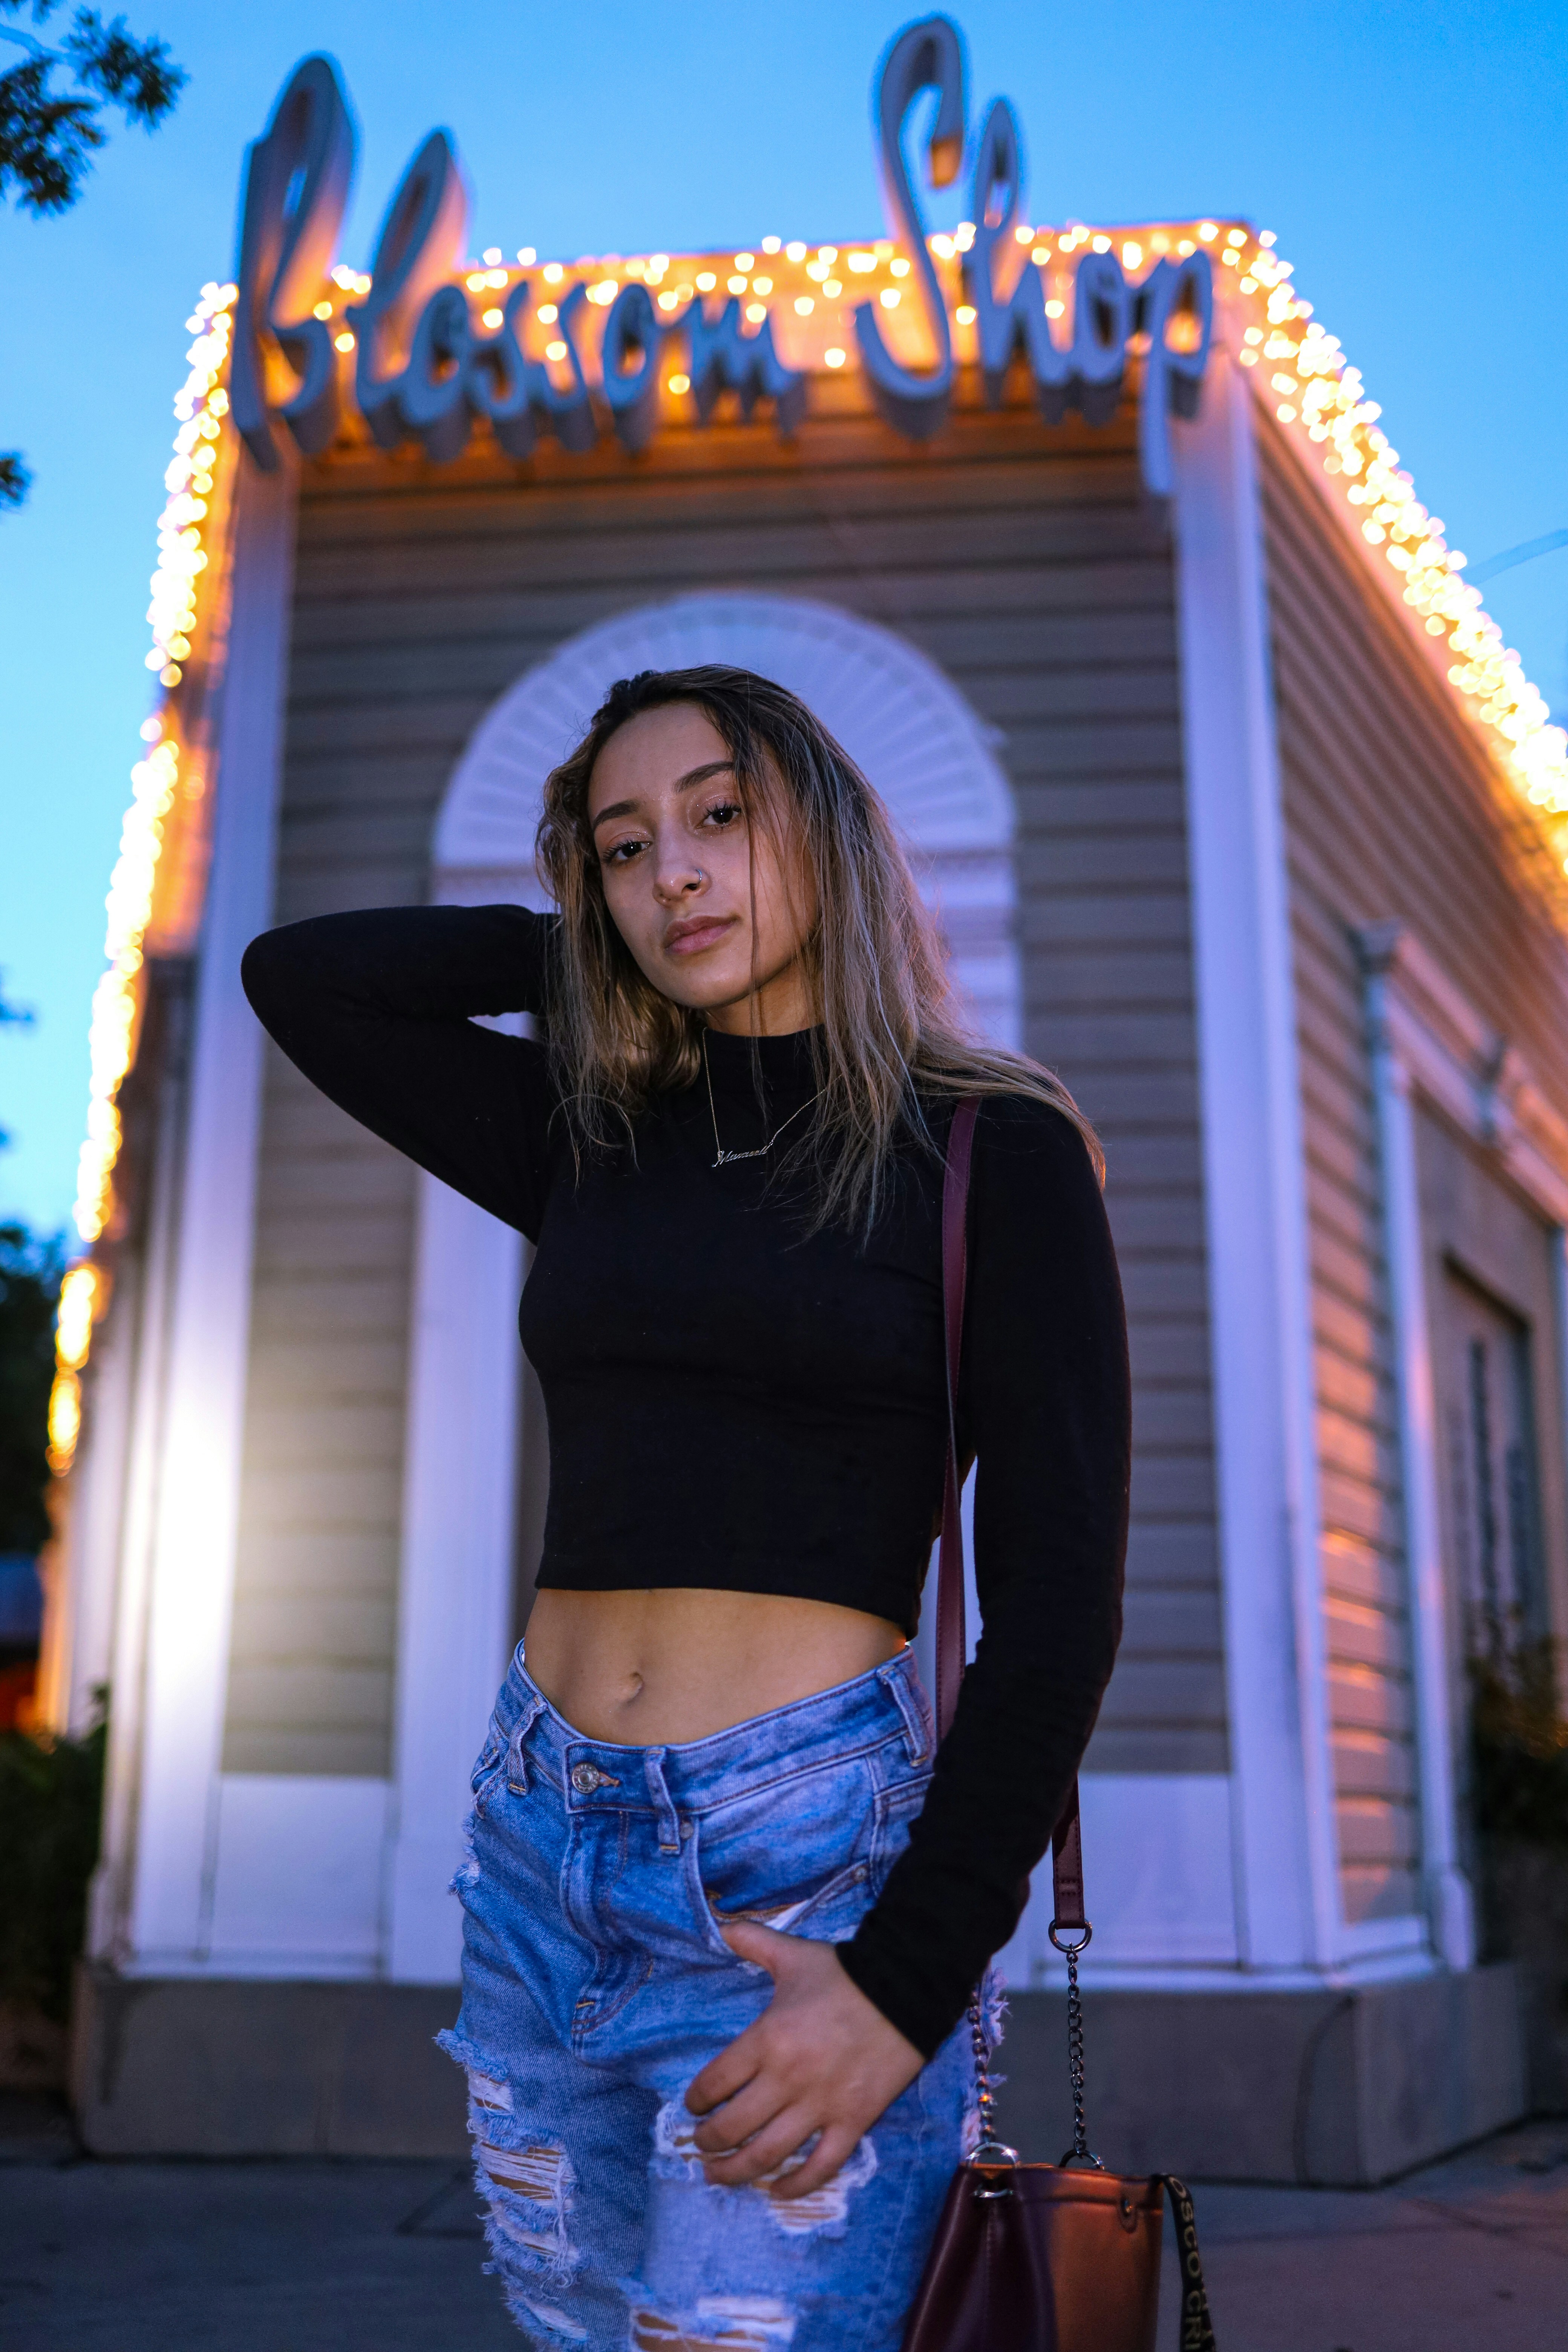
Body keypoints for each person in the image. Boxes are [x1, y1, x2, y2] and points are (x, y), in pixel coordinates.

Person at [241, 665, 1130, 2352]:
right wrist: (579, 945)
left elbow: (1059, 1603)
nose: (679, 877)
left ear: (831, 835)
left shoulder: (986, 1150)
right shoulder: (597, 1132)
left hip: (801, 1874)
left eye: (722, 818)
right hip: (534, 1846)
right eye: (625, 848)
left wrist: (901, 1984)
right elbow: (309, 984)